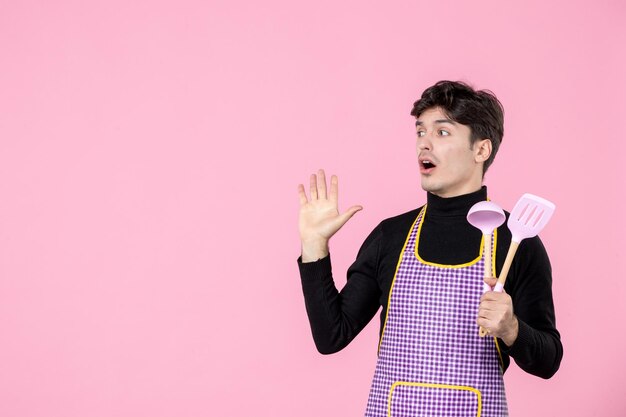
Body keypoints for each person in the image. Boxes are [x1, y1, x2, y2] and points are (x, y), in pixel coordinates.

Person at [296, 80, 562, 416]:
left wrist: (512, 329)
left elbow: (549, 360)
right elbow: (331, 337)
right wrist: (314, 246)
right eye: (420, 132)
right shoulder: (390, 237)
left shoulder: (516, 240)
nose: (424, 143)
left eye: (442, 132)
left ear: (481, 150)